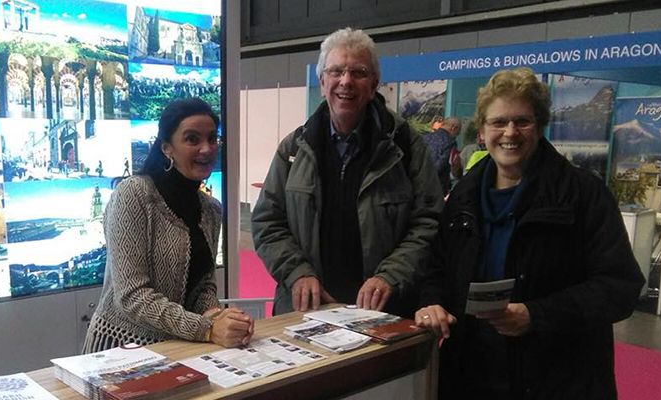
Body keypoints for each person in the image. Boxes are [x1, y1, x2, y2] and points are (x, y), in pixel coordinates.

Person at [414, 67, 644, 399]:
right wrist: (431, 302)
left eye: (522, 121)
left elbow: (620, 287)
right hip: (471, 376)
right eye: (498, 122)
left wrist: (537, 315)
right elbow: (436, 267)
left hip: (556, 379)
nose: (510, 132)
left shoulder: (582, 194)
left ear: (540, 126)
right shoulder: (464, 194)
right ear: (482, 130)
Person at [251, 27, 443, 317]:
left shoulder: (405, 146)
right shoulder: (293, 148)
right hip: (306, 311)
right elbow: (267, 222)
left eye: (359, 72)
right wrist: (298, 273)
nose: (346, 82)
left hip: (383, 313)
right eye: (337, 71)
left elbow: (428, 222)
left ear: (374, 83)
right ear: (322, 80)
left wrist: (390, 276)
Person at [83, 98, 253, 353]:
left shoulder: (211, 209)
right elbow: (132, 296)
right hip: (122, 348)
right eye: (192, 139)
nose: (206, 149)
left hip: (179, 347)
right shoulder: (134, 194)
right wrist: (206, 328)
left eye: (212, 139)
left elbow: (204, 283)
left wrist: (217, 316)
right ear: (167, 148)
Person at [422, 116, 461, 195]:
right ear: (453, 128)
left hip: (419, 183)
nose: (458, 134)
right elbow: (442, 165)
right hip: (437, 187)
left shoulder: (425, 138)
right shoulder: (450, 143)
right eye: (458, 131)